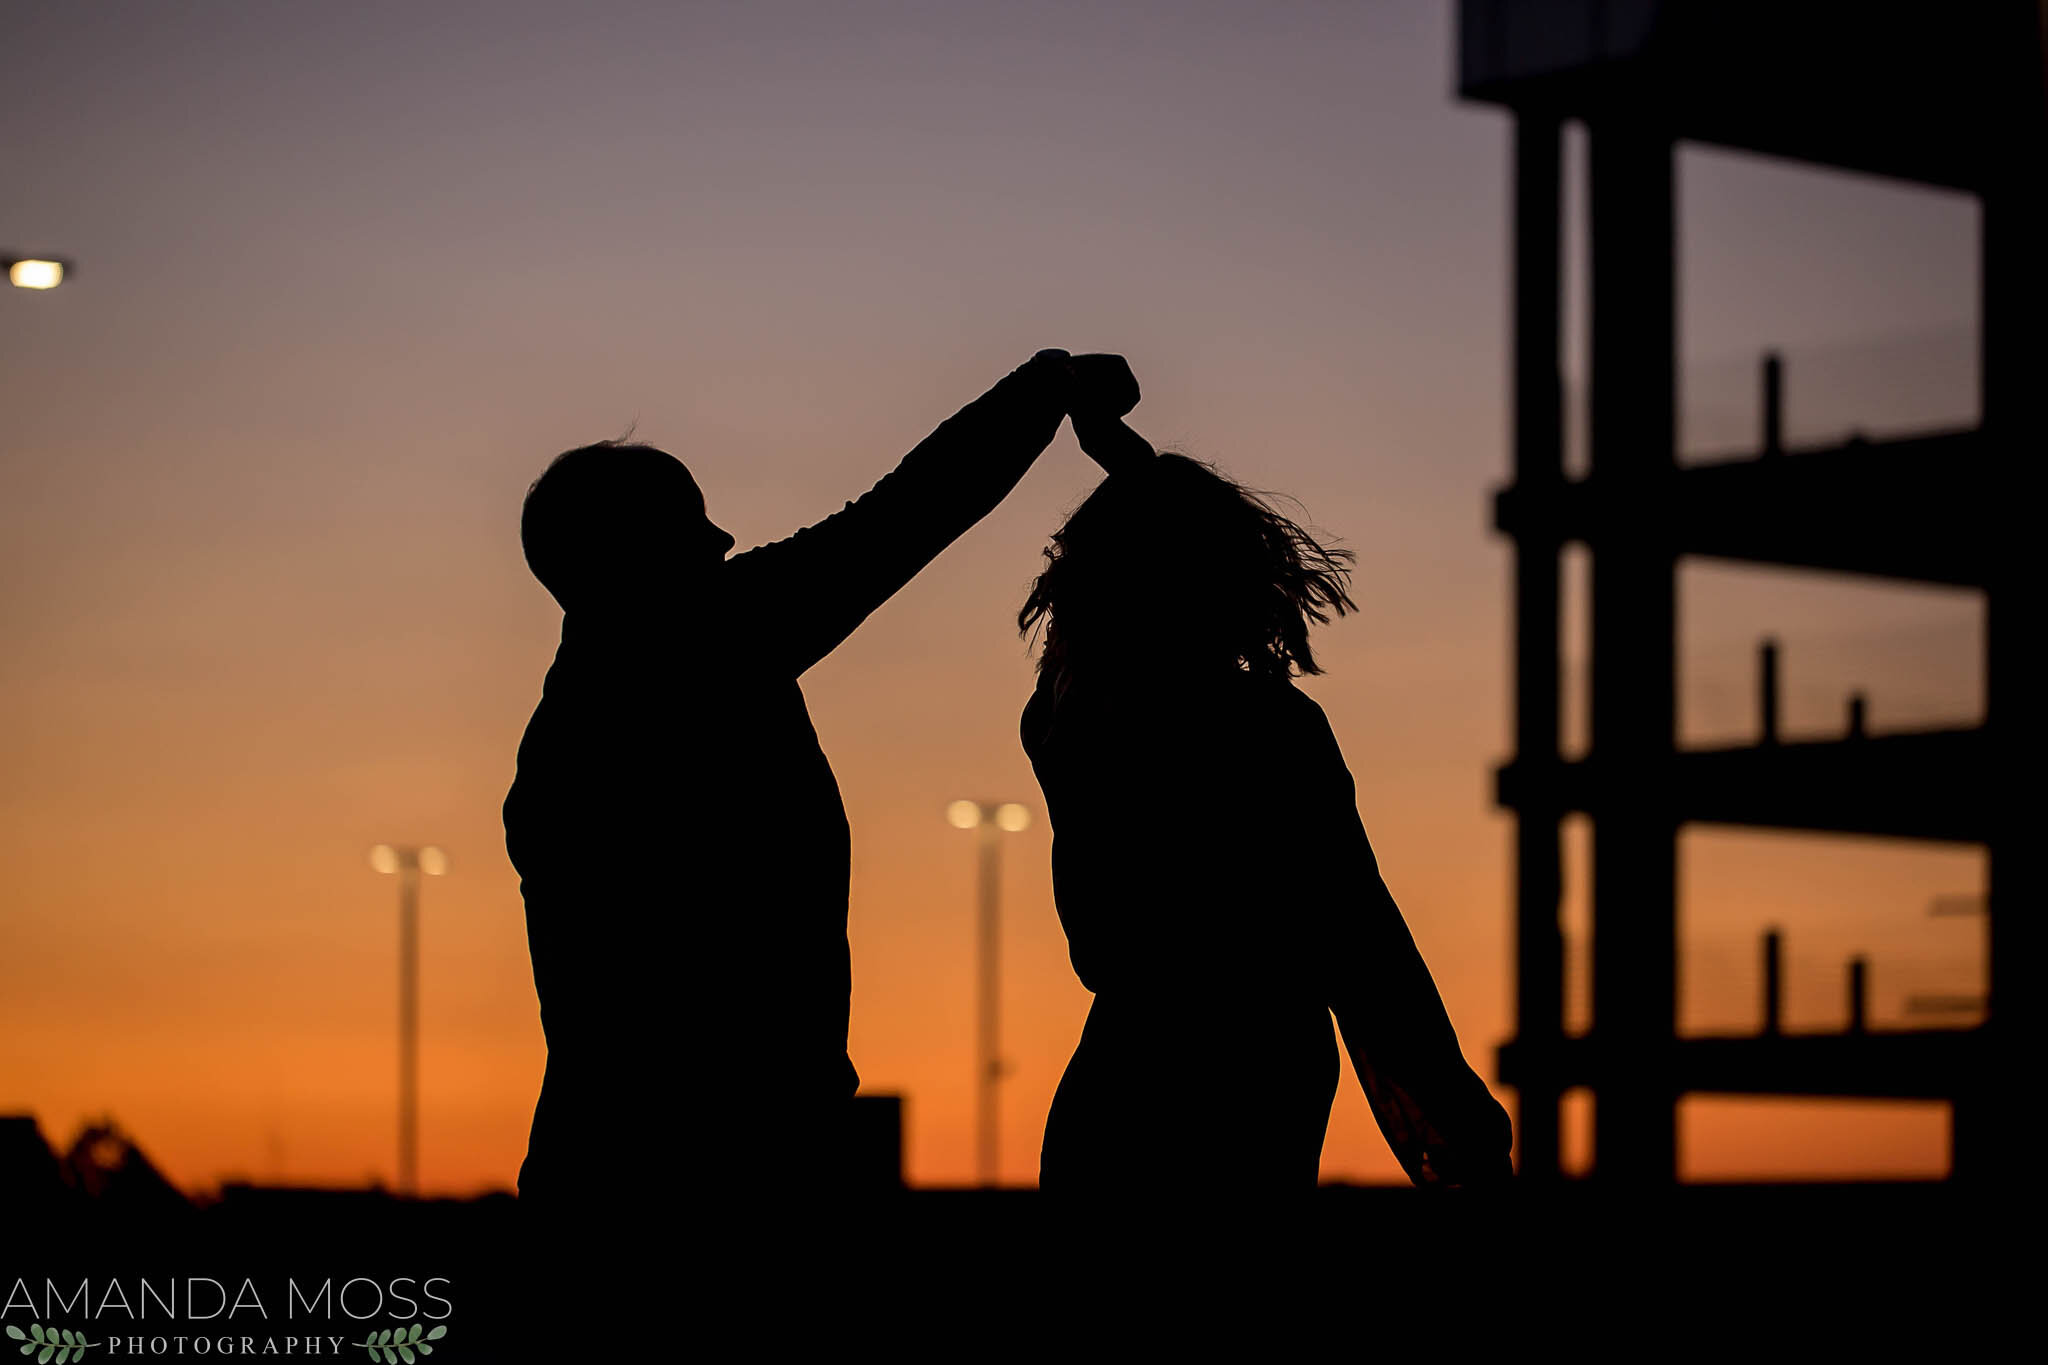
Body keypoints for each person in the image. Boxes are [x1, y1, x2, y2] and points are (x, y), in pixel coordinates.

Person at [503, 349, 1134, 1228]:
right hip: (719, 1180)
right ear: (634, 560)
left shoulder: (572, 734)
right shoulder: (708, 648)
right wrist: (1052, 388)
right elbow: (903, 516)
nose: (723, 542)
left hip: (618, 1170)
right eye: (694, 527)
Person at [1017, 410, 1514, 1201]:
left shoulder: (1070, 725)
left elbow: (1079, 647)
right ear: (1234, 585)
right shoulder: (1270, 730)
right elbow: (1362, 939)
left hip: (1120, 1082)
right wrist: (1453, 1120)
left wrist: (1132, 484)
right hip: (1249, 1085)